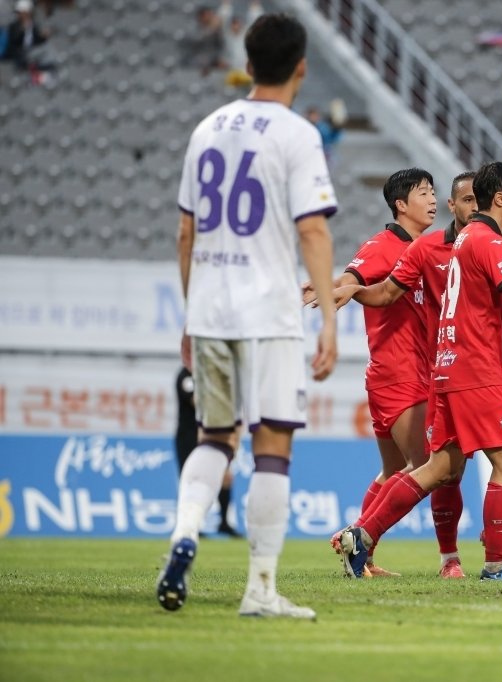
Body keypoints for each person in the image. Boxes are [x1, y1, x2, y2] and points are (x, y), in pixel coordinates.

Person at [331, 162, 502, 581]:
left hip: (444, 368)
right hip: (477, 367)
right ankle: (497, 564)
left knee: (440, 467)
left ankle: (362, 534)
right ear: (500, 197)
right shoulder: (483, 244)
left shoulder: (465, 243)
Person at [159, 13, 338, 619]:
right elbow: (312, 229)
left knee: (213, 436)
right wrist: (332, 319)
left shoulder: (207, 128)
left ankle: (186, 530)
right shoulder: (296, 134)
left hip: (209, 309)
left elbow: (185, 232)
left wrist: (191, 312)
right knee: (271, 447)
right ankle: (260, 588)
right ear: (301, 67)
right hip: (269, 313)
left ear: (248, 60)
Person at [326, 168, 438, 578]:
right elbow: (351, 279)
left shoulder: (421, 248)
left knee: (394, 471)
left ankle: (362, 555)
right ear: (400, 205)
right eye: (422, 193)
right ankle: (358, 537)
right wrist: (330, 291)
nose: (432, 200)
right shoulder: (382, 245)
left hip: (404, 372)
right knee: (427, 465)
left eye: (433, 192)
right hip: (398, 372)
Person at [175, 367, 240, 538]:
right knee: (190, 480)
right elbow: (195, 400)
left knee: (226, 477)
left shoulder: (211, 372)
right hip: (189, 437)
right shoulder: (186, 376)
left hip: (215, 433)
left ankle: (224, 522)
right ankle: (190, 524)